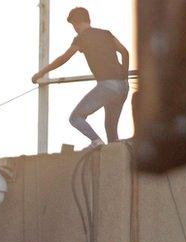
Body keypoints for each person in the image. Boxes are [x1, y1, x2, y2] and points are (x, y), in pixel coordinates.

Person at [32, 7, 130, 149]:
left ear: (76, 22)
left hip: (106, 86)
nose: (74, 29)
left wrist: (40, 73)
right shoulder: (106, 34)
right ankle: (113, 154)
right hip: (122, 88)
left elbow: (63, 59)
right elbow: (125, 53)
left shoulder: (81, 38)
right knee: (112, 134)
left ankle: (96, 141)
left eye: (73, 25)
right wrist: (125, 78)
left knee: (75, 118)